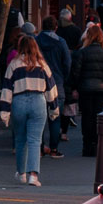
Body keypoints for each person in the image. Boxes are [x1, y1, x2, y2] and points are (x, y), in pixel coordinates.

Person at [0, 32, 59, 186]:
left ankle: (21, 173)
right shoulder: (42, 65)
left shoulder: (13, 64)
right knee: (35, 140)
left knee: (20, 140)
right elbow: (51, 89)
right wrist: (54, 109)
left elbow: (6, 89)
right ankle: (34, 175)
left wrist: (4, 113)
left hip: (19, 101)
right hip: (38, 101)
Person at [70, 22, 103, 158]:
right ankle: (96, 145)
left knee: (86, 116)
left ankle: (87, 145)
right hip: (100, 89)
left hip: (85, 89)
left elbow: (75, 72)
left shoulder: (81, 53)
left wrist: (75, 87)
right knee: (98, 117)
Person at [35, 16, 72, 159]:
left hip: (39, 82)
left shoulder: (36, 42)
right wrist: (63, 77)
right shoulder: (61, 42)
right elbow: (67, 63)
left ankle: (39, 147)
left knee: (39, 118)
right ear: (56, 27)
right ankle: (54, 148)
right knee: (55, 117)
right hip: (57, 82)